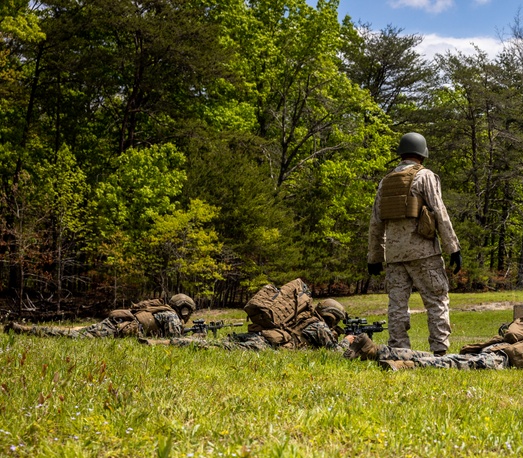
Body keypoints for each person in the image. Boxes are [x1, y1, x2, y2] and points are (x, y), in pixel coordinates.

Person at [367, 132, 461, 356]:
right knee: (437, 300)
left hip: (395, 256)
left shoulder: (386, 181)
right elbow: (440, 213)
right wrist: (453, 248)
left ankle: (399, 351)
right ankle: (439, 352)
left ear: (402, 153)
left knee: (397, 306)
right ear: (423, 154)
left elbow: (375, 221)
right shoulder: (426, 177)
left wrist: (374, 256)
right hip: (423, 253)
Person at [344, 295, 523, 371]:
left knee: (444, 357)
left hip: (497, 350)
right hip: (506, 359)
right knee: (450, 363)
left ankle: (376, 350)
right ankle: (405, 366)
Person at [169, 296, 348, 352]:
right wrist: (348, 340)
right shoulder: (319, 326)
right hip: (268, 344)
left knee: (224, 343)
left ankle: (176, 341)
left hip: (261, 335)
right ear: (332, 317)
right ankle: (180, 342)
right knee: (223, 348)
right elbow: (334, 351)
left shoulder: (304, 316)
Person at [7, 294, 196, 339]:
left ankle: (27, 329)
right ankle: (24, 329)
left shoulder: (162, 309)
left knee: (74, 332)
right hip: (117, 328)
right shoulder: (171, 316)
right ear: (185, 310)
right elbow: (175, 342)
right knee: (72, 336)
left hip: (119, 323)